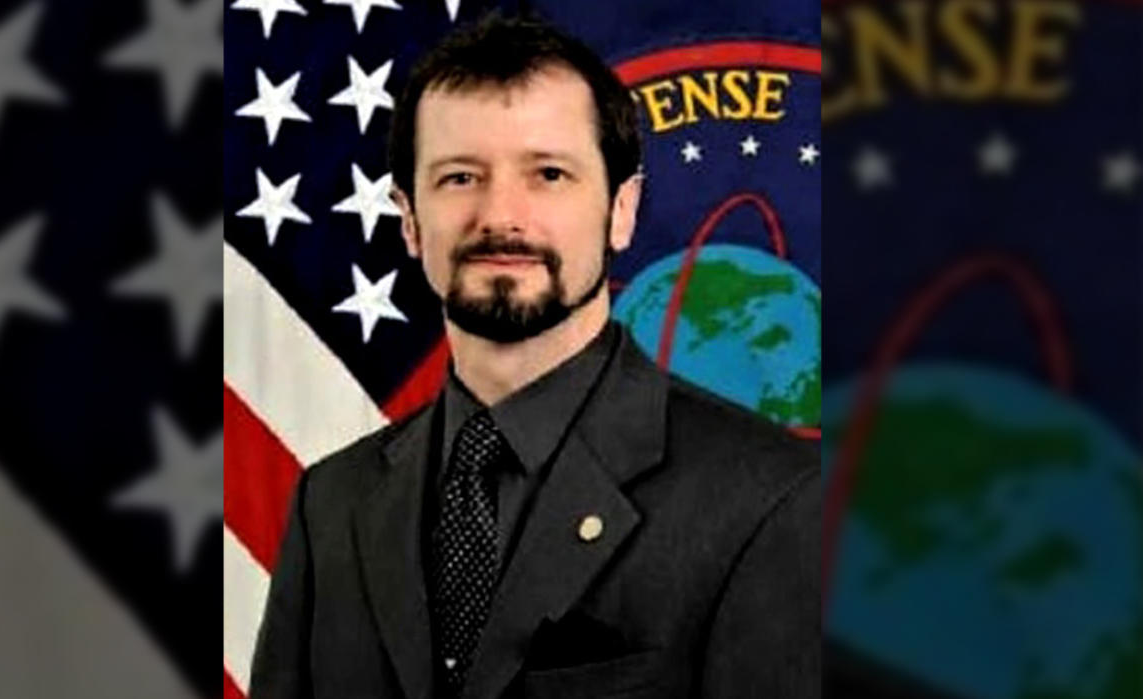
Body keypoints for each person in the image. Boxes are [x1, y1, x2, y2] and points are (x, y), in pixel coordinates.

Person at [250, 12, 819, 699]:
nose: (501, 215)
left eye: (548, 173)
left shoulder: (768, 497)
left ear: (621, 208)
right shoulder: (330, 503)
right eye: (460, 177)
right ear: (408, 216)